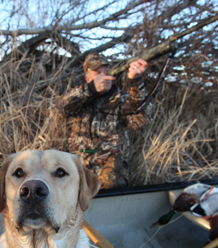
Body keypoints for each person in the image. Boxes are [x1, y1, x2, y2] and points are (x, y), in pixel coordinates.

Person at [55, 53, 151, 188]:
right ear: (87, 78)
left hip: (109, 162)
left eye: (106, 71)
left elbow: (141, 120)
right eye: (97, 72)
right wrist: (91, 89)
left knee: (110, 182)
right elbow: (60, 107)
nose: (103, 76)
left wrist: (135, 81)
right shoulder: (79, 97)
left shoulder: (121, 99)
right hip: (77, 160)